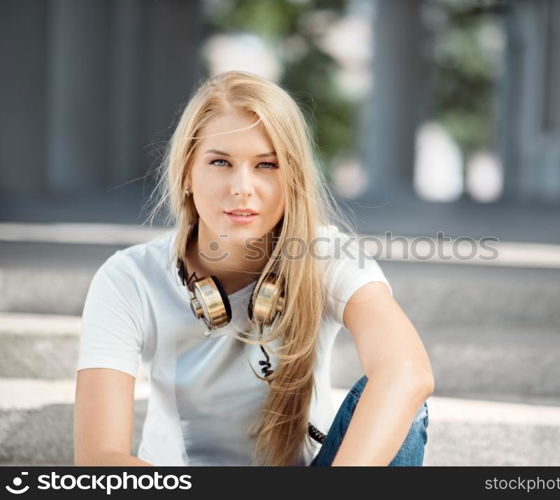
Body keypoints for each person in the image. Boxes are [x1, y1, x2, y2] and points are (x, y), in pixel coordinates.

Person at [73, 70, 433, 466]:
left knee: (400, 403)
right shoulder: (129, 278)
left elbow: (407, 371)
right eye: (221, 162)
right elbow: (98, 458)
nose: (242, 187)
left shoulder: (326, 255)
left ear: (292, 177)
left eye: (266, 165)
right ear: (187, 172)